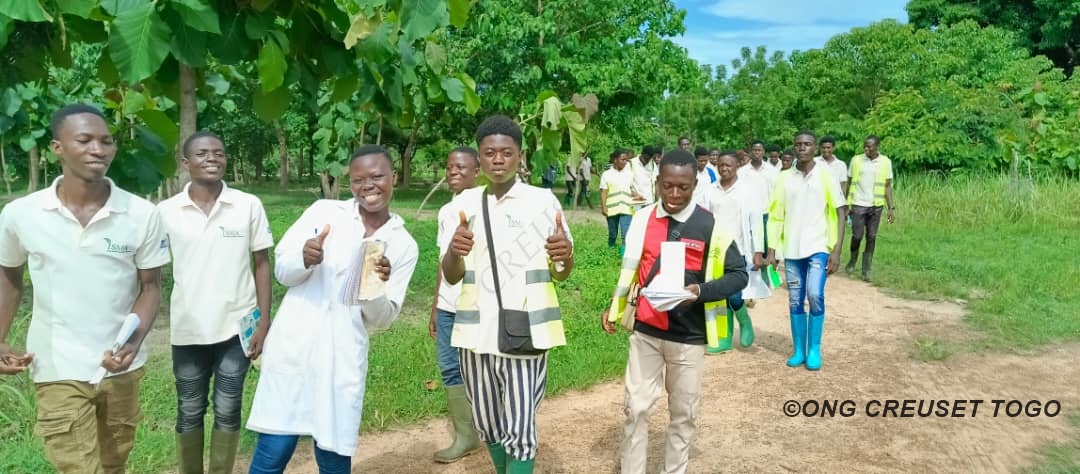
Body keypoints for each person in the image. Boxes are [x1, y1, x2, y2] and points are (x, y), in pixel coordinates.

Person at [0, 104, 171, 473]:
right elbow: (9, 277)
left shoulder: (141, 214)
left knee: (113, 464)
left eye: (106, 141)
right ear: (57, 148)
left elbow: (150, 288)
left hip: (120, 366)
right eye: (85, 140)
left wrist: (132, 344)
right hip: (56, 366)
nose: (99, 149)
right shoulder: (21, 215)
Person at [246, 145, 419, 473]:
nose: (367, 186)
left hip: (342, 358)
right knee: (273, 451)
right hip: (294, 347)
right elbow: (282, 271)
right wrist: (304, 258)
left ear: (394, 177)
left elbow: (383, 319)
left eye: (377, 176)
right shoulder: (323, 212)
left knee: (333, 457)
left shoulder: (403, 243)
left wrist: (373, 287)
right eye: (358, 180)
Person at [441, 115, 574, 474]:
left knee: (520, 426)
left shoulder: (542, 202)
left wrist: (565, 256)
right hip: (474, 334)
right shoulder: (463, 205)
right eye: (489, 153)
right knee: (488, 423)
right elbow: (451, 276)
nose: (498, 160)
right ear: (479, 158)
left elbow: (561, 271)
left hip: (524, 330)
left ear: (520, 156)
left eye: (506, 152)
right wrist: (454, 250)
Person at [602, 149, 747, 474]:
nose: (675, 194)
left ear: (695, 184)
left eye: (683, 187)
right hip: (646, 332)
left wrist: (700, 292)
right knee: (636, 409)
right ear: (657, 183)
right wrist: (615, 305)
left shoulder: (711, 226)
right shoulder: (642, 220)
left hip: (688, 337)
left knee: (683, 414)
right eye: (667, 186)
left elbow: (739, 274)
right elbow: (631, 269)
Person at [158, 131, 274, 473]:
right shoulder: (166, 212)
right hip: (188, 327)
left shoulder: (247, 205)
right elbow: (150, 271)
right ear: (185, 162)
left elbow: (261, 263)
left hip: (237, 327)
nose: (212, 158)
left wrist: (264, 319)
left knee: (228, 407)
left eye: (219, 153)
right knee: (189, 409)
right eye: (202, 153)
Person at [766, 130, 847, 372]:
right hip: (792, 249)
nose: (802, 148)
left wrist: (836, 251)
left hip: (819, 246)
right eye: (798, 144)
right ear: (794, 147)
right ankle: (799, 349)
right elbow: (775, 215)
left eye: (807, 144)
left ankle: (814, 350)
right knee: (795, 298)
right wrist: (772, 249)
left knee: (814, 294)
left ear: (815, 148)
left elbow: (841, 211)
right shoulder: (784, 178)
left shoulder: (826, 175)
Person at [429, 147, 483, 463]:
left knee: (483, 366)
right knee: (450, 367)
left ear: (477, 171)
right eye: (449, 167)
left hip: (475, 302)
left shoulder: (484, 203)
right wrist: (436, 305)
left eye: (461, 167)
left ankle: (499, 427)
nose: (453, 172)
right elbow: (443, 259)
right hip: (448, 304)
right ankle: (466, 436)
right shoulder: (446, 210)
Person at [706, 151, 767, 354]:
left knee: (733, 295)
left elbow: (756, 222)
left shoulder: (747, 191)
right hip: (716, 251)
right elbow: (704, 218)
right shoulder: (710, 190)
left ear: (736, 166)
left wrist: (758, 251)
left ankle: (745, 321)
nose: (724, 168)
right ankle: (724, 339)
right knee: (719, 295)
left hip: (738, 249)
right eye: (721, 165)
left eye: (728, 165)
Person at [845, 135, 895, 281]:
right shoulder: (856, 160)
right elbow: (849, 182)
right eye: (865, 146)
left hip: (876, 205)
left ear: (877, 146)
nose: (866, 148)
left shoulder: (885, 162)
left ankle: (866, 269)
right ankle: (852, 260)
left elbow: (887, 186)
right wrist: (846, 204)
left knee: (872, 237)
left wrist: (891, 208)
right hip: (858, 204)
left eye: (869, 146)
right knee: (857, 236)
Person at [600, 149, 642, 256]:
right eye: (623, 160)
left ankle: (624, 255)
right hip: (612, 208)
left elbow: (630, 189)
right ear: (615, 160)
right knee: (613, 234)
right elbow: (604, 192)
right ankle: (611, 251)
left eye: (626, 160)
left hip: (626, 208)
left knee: (626, 234)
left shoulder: (629, 174)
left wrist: (637, 196)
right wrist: (603, 207)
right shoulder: (606, 174)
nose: (625, 162)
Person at [629, 145, 658, 209]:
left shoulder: (652, 164)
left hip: (649, 202)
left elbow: (656, 183)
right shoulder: (631, 163)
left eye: (649, 158)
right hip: (635, 202)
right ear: (642, 154)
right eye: (646, 158)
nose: (647, 161)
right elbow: (626, 184)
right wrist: (635, 195)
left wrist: (658, 200)